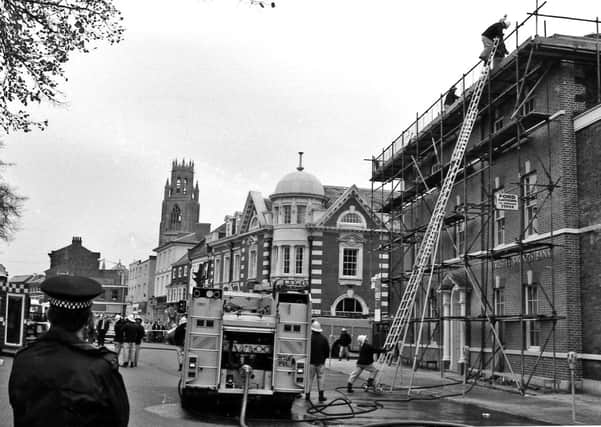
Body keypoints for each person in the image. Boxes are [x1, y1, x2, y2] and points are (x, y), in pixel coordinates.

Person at [8, 275, 129, 427]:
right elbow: (119, 420)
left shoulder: (23, 358)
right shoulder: (101, 369)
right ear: (88, 320)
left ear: (49, 315)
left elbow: (19, 410)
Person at [307, 320, 330, 402]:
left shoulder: (309, 338)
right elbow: (327, 351)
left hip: (310, 363)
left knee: (309, 379)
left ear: (312, 329)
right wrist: (324, 358)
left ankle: (307, 395)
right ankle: (321, 396)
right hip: (320, 362)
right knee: (321, 378)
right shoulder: (324, 339)